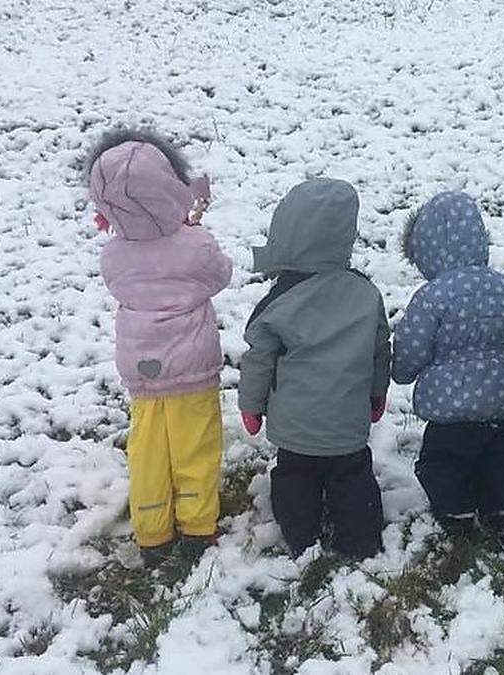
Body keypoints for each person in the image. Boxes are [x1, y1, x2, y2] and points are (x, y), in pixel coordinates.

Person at [86, 128, 233, 567]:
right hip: (192, 364)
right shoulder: (197, 244)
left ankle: (152, 532)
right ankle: (197, 525)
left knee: (148, 446)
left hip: (142, 368)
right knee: (195, 445)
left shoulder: (114, 255)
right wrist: (190, 231)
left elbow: (127, 282)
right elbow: (218, 276)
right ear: (172, 186)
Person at [238, 178, 391, 560]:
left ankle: (301, 534)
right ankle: (360, 539)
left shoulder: (279, 299)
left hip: (295, 428)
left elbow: (259, 357)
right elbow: (379, 349)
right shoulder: (365, 293)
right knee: (352, 478)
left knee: (295, 478)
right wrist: (377, 391)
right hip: (347, 424)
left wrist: (251, 405)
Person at [393, 192, 504, 548]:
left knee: (443, 462)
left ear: (427, 250)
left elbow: (412, 348)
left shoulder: (432, 296)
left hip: (450, 413)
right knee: (501, 458)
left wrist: (402, 371)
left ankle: (456, 516)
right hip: (501, 403)